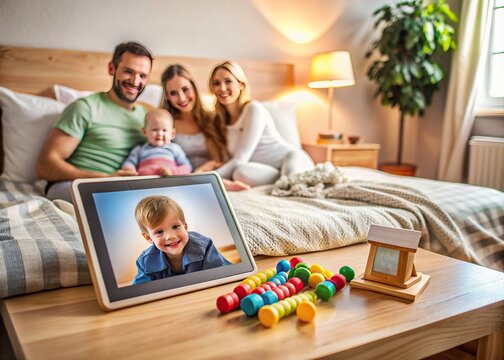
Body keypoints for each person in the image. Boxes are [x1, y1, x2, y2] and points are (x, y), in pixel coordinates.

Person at [36, 41, 154, 202]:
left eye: (142, 76)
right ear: (112, 68)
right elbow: (45, 165)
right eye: (128, 72)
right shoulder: (85, 108)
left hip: (124, 190)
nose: (135, 81)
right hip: (77, 185)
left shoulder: (148, 117)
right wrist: (102, 178)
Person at [209, 61, 314, 187]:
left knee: (290, 184)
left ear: (241, 85)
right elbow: (233, 162)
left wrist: (207, 179)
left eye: (228, 81)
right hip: (269, 171)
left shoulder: (253, 109)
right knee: (240, 173)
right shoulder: (220, 121)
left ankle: (288, 182)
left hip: (293, 159)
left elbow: (240, 158)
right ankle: (282, 182)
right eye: (216, 83)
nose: (222, 88)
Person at [161, 64, 250, 191]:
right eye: (173, 93)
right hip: (183, 180)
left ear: (194, 88)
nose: (182, 98)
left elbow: (228, 156)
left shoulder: (212, 118)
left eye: (185, 89)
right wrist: (199, 172)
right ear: (167, 97)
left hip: (216, 176)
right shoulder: (164, 125)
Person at [132, 195, 231, 284]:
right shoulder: (146, 262)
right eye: (159, 232)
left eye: (175, 226)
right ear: (149, 238)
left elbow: (223, 275)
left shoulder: (204, 247)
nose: (170, 236)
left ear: (185, 227)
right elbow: (139, 291)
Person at [121, 108, 192, 176]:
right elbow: (130, 162)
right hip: (146, 179)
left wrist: (173, 171)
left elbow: (187, 167)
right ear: (144, 132)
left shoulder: (175, 148)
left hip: (169, 179)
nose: (160, 134)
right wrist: (129, 169)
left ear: (172, 134)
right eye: (154, 130)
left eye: (164, 130)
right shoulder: (139, 149)